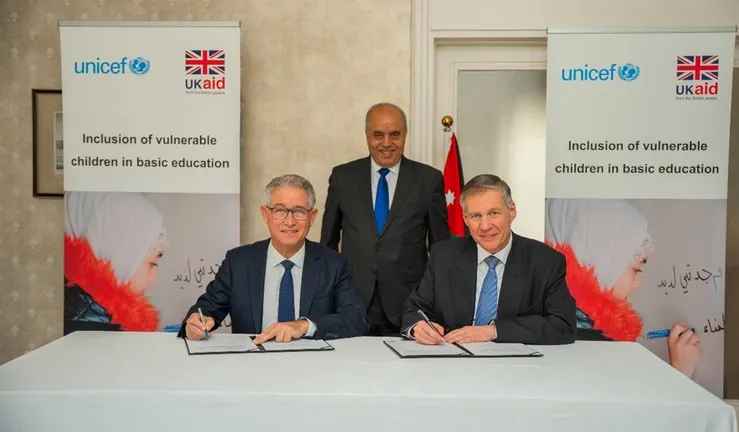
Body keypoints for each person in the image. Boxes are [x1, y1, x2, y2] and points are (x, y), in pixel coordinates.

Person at [180, 174, 369, 343]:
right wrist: (195, 323)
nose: (289, 221)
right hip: (251, 364)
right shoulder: (238, 262)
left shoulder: (333, 264)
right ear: (265, 214)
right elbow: (206, 310)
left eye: (299, 211)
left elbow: (357, 319)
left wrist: (303, 326)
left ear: (312, 217)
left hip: (312, 365)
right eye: (280, 210)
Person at [321, 102, 450, 336]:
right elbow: (327, 245)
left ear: (405, 135)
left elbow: (440, 248)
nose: (387, 143)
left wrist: (435, 299)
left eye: (395, 134)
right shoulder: (342, 177)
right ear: (367, 135)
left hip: (409, 305)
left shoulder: (428, 179)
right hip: (352, 301)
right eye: (378, 135)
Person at [401, 174, 576, 345]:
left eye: (493, 213)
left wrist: (493, 331)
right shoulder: (443, 256)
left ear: (512, 211)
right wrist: (417, 327)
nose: (485, 226)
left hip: (516, 362)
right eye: (476, 216)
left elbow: (563, 325)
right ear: (465, 219)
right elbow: (413, 311)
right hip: (454, 359)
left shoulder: (545, 261)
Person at [544, 198, 701, 377]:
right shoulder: (586, 344)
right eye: (636, 269)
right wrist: (680, 372)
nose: (638, 283)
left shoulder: (550, 319)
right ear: (603, 260)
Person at [63, 191, 167, 335]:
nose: (154, 278)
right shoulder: (96, 334)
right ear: (120, 255)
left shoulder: (83, 315)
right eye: (152, 264)